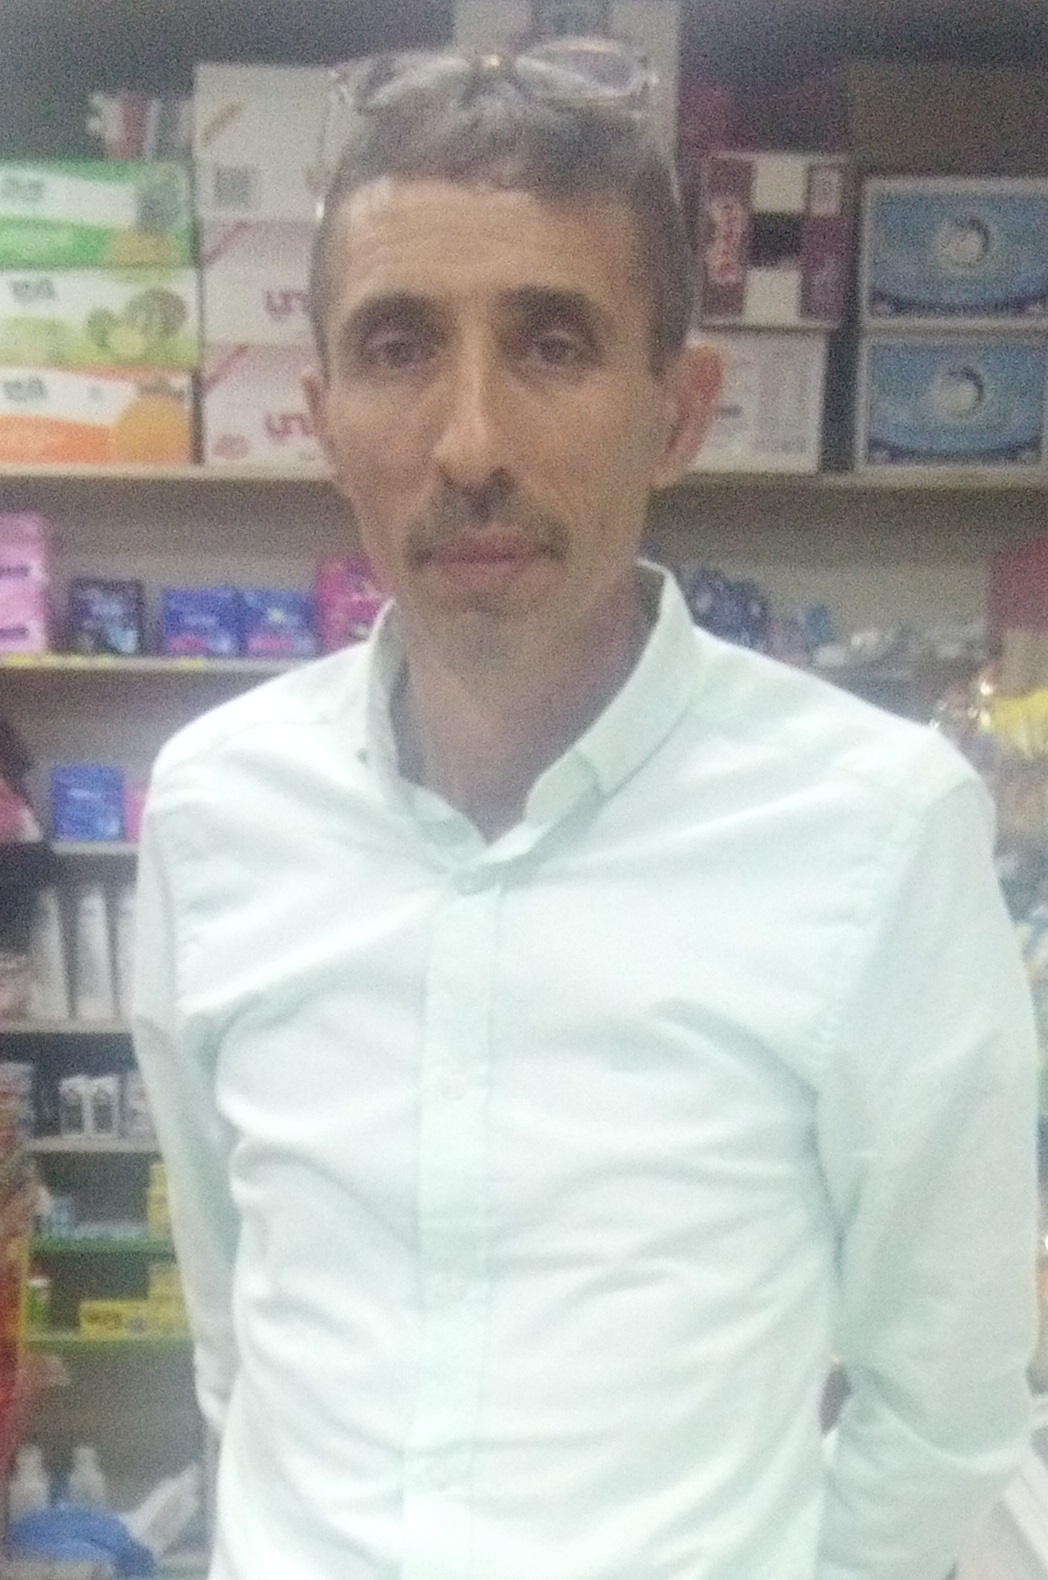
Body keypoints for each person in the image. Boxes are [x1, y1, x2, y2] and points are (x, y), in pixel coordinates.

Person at [132, 40, 1039, 1580]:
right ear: (326, 415)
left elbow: (941, 1399)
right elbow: (238, 1332)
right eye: (401, 347)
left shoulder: (878, 834)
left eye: (551, 345)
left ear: (678, 412)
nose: (470, 444)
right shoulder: (216, 807)